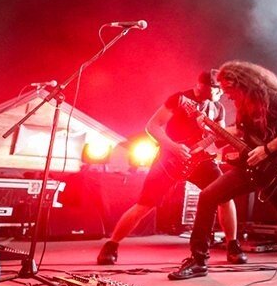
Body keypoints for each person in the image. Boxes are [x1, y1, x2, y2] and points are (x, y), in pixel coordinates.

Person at [168, 60, 277, 280]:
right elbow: (242, 133)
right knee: (208, 196)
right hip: (251, 165)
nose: (226, 95)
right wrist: (212, 128)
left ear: (241, 83)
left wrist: (267, 149)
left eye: (228, 89)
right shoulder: (244, 105)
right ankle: (198, 261)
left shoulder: (274, 98)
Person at [97, 70, 246, 266]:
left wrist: (231, 134)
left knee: (224, 196)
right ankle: (111, 245)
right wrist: (173, 147)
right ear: (202, 86)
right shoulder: (179, 99)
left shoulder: (218, 108)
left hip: (200, 160)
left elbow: (217, 140)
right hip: (169, 159)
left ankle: (232, 245)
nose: (221, 94)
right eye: (217, 89)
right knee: (144, 204)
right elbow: (152, 126)